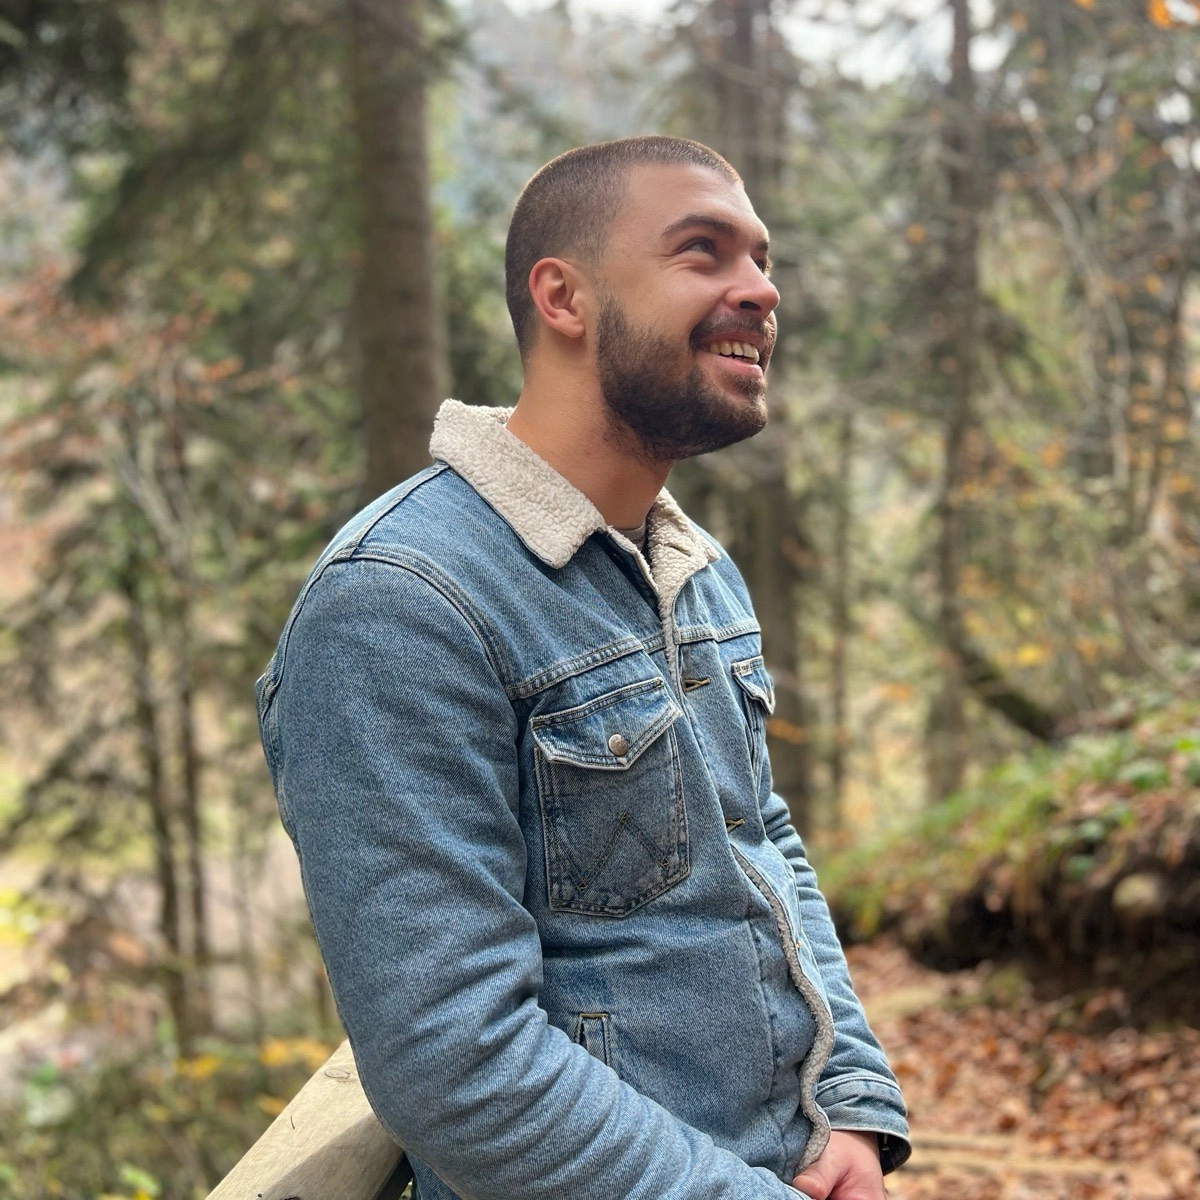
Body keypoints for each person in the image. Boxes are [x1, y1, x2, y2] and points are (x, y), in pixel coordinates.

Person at [256, 135, 910, 1200]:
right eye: (703, 252)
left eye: (761, 257)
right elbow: (456, 1065)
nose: (762, 288)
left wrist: (849, 1108)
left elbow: (764, 844)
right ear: (563, 297)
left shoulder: (696, 568)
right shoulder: (399, 601)